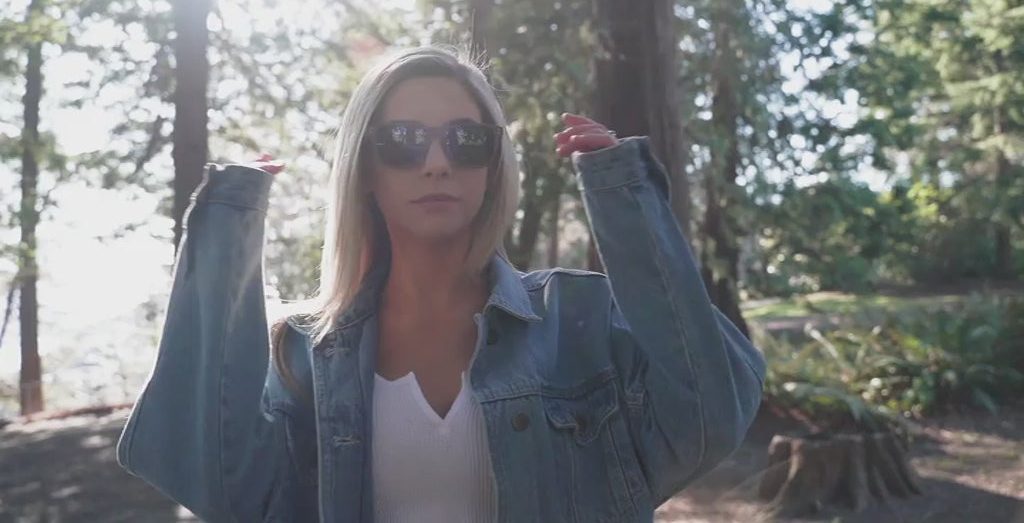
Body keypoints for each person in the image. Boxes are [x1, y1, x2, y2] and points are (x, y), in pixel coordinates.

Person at [116, 46, 765, 523]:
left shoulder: (581, 316)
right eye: (401, 140)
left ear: (492, 166)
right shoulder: (297, 356)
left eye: (465, 140)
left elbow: (710, 415)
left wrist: (627, 198)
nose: (435, 163)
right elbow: (204, 473)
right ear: (365, 167)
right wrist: (225, 228)